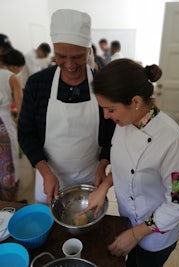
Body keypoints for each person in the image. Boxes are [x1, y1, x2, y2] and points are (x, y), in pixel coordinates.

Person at [82, 59, 179, 267]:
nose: (106, 116)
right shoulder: (126, 121)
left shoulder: (174, 144)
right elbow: (125, 165)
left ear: (135, 101)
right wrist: (104, 187)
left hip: (155, 235)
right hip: (128, 220)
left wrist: (135, 234)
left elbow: (178, 203)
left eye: (110, 109)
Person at [18, 9, 115, 204]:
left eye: (78, 56)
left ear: (89, 51)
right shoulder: (37, 84)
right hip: (49, 177)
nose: (69, 64)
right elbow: (26, 133)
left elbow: (113, 133)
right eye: (61, 56)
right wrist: (45, 172)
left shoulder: (103, 84)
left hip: (90, 177)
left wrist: (103, 164)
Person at [0, 49, 25, 201]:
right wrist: (19, 120)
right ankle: (11, 201)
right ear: (14, 66)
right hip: (4, 124)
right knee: (9, 162)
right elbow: (21, 105)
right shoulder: (11, 77)